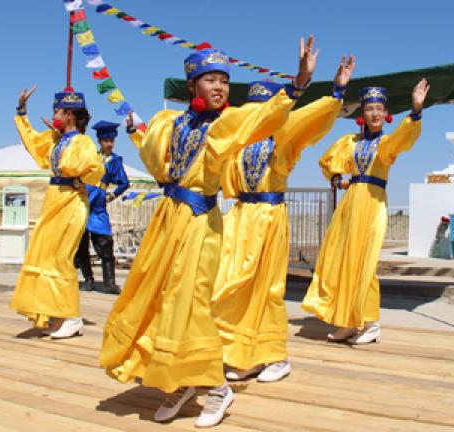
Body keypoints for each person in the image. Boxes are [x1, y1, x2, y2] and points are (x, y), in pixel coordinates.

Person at [101, 37, 316, 427]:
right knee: (162, 298)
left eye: (223, 80)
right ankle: (180, 382)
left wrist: (297, 85)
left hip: (202, 222)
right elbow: (155, 158)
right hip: (168, 220)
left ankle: (215, 385)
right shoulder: (171, 122)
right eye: (210, 79)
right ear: (192, 86)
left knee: (193, 302)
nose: (218, 87)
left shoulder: (228, 123)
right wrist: (137, 132)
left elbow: (263, 117)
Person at [213, 56, 354, 383]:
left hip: (269, 216)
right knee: (232, 284)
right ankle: (240, 352)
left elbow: (312, 115)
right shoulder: (239, 136)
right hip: (238, 216)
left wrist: (336, 90)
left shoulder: (283, 134)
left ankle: (275, 356)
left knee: (266, 287)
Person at [302, 79, 429, 345]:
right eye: (369, 108)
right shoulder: (350, 142)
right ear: (362, 113)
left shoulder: (386, 143)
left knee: (365, 263)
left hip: (372, 203)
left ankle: (370, 322)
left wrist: (415, 112)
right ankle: (347, 321)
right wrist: (337, 180)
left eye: (379, 108)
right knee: (341, 260)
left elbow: (401, 141)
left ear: (386, 113)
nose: (374, 113)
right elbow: (327, 162)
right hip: (351, 203)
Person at [10, 87, 105, 339]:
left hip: (72, 201)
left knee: (61, 257)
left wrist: (63, 144)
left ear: (70, 114)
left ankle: (72, 316)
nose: (54, 115)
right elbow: (33, 144)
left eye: (57, 111)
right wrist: (22, 111)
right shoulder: (58, 140)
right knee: (45, 254)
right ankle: (56, 311)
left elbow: (87, 167)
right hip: (54, 200)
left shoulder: (82, 142)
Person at [74, 120, 129, 294]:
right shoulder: (92, 157)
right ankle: (88, 279)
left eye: (111, 140)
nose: (109, 143)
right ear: (100, 141)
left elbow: (124, 182)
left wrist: (113, 194)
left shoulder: (115, 161)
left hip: (98, 204)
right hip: (83, 200)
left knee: (105, 242)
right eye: (106, 140)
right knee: (82, 244)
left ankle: (109, 282)